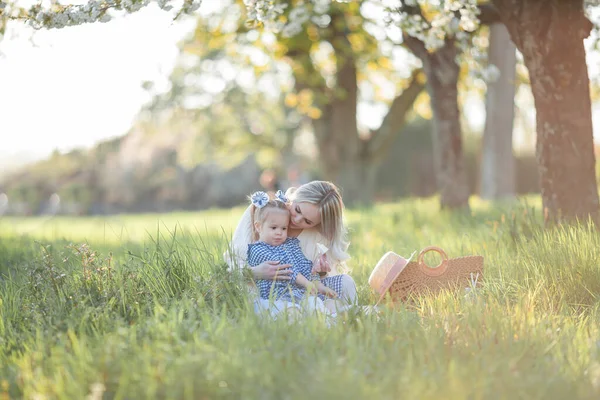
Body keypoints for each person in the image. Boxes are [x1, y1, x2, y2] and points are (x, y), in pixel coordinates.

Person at [224, 180, 357, 318]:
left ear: (318, 223)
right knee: (276, 303)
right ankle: (320, 315)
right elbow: (231, 263)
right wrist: (255, 272)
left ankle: (346, 314)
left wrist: (321, 272)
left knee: (346, 283)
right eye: (297, 210)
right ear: (295, 198)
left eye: (308, 221)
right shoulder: (264, 210)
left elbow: (310, 274)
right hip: (265, 289)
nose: (297, 220)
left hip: (304, 291)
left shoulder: (317, 235)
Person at [246, 190, 337, 305]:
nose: (279, 232)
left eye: (284, 228)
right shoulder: (258, 249)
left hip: (295, 292)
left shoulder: (291, 244)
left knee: (319, 303)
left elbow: (304, 265)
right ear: (258, 227)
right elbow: (286, 269)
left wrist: (319, 285)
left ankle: (333, 315)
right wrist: (306, 283)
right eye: (274, 228)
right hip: (275, 296)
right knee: (308, 305)